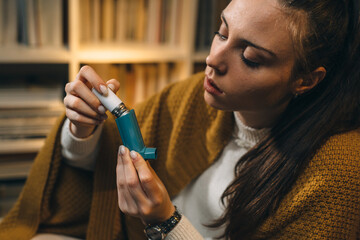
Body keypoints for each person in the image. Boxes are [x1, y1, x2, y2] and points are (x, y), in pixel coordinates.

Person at [1, 0, 359, 239]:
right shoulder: (195, 97)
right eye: (222, 32)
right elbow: (100, 162)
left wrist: (166, 223)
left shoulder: (340, 173)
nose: (213, 60)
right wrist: (82, 131)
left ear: (306, 79)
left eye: (250, 57)